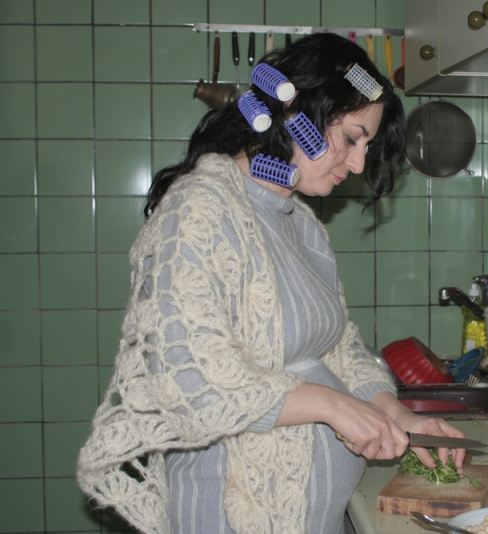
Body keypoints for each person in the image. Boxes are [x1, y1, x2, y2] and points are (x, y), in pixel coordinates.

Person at [77, 33, 467, 534]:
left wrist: (397, 416)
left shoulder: (301, 223)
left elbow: (338, 347)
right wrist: (331, 405)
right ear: (295, 112)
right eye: (352, 138)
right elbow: (192, 383)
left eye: (366, 146)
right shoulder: (197, 209)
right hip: (231, 516)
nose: (357, 165)